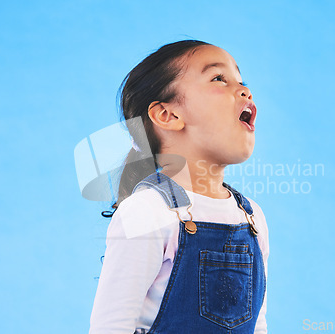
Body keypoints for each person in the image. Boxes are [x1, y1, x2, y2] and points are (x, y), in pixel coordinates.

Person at [89, 40, 269, 333]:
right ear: (168, 116)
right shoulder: (148, 211)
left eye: (241, 80)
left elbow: (258, 324)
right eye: (218, 79)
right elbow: (111, 326)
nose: (244, 90)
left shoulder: (251, 218)